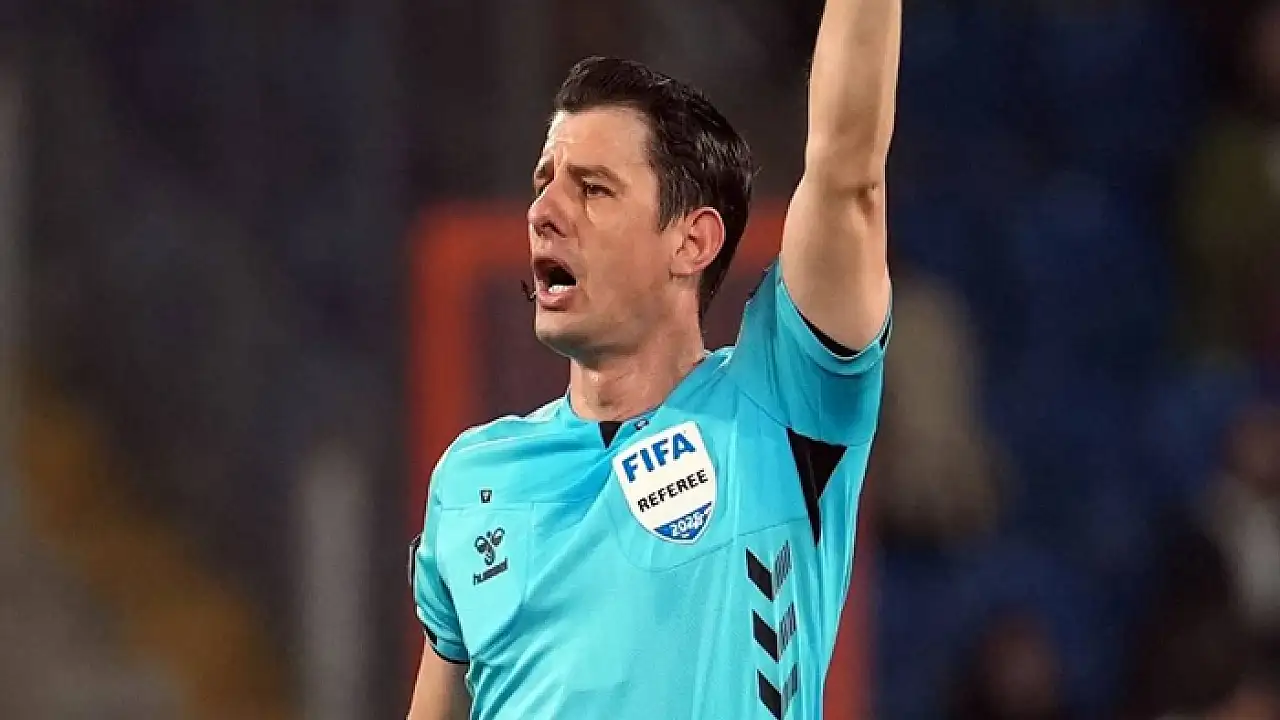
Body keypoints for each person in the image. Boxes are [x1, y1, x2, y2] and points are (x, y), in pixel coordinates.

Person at [407, 0, 899, 716]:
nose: (542, 212)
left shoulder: (780, 409)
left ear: (692, 242)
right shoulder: (471, 478)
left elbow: (848, 175)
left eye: (592, 189)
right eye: (544, 182)